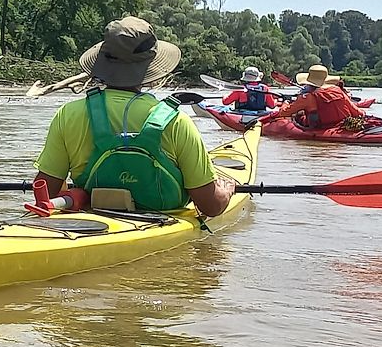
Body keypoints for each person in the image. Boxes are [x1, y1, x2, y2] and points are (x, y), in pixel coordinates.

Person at [35, 16, 238, 217]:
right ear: (150, 68)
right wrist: (226, 190)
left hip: (90, 223)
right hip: (160, 224)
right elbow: (210, 206)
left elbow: (45, 195)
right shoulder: (177, 122)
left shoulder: (67, 115)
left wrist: (72, 195)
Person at [265, 64, 371, 131]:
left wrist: (286, 103)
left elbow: (284, 113)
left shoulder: (307, 97)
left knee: (298, 115)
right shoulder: (337, 90)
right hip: (343, 125)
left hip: (322, 128)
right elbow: (357, 112)